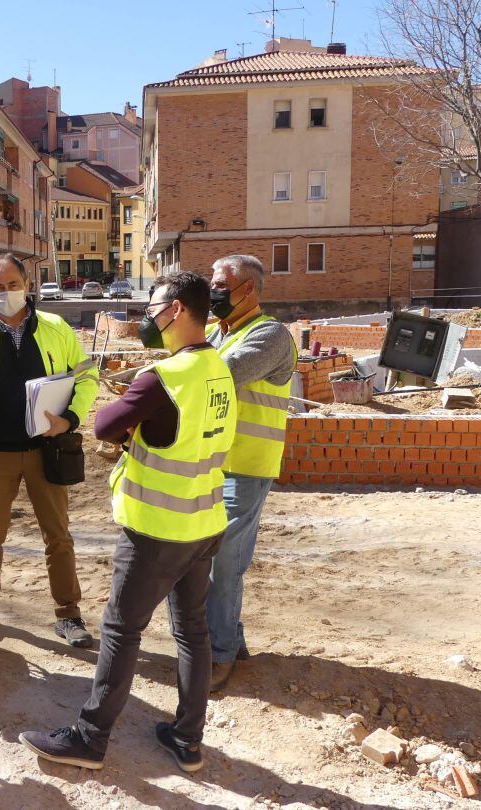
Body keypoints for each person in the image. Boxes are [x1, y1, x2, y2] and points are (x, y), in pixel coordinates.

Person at [20, 271, 236, 773]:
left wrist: (132, 424)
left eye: (154, 307)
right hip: (204, 522)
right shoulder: (218, 368)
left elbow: (103, 424)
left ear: (177, 309)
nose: (148, 317)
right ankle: (188, 739)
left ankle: (89, 739)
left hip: (157, 529)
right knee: (193, 632)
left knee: (120, 631)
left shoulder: (163, 377)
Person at [0, 253, 99, 647]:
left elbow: (87, 376)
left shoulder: (56, 328)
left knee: (58, 537)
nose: (6, 292)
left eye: (13, 285)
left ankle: (68, 614)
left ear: (27, 285)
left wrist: (70, 420)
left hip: (47, 450)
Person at [205, 254, 297, 692]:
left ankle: (219, 655)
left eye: (220, 284)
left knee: (223, 564)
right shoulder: (216, 333)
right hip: (211, 464)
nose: (213, 290)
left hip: (245, 466)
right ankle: (232, 639)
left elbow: (219, 375)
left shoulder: (270, 335)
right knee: (216, 559)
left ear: (247, 289)